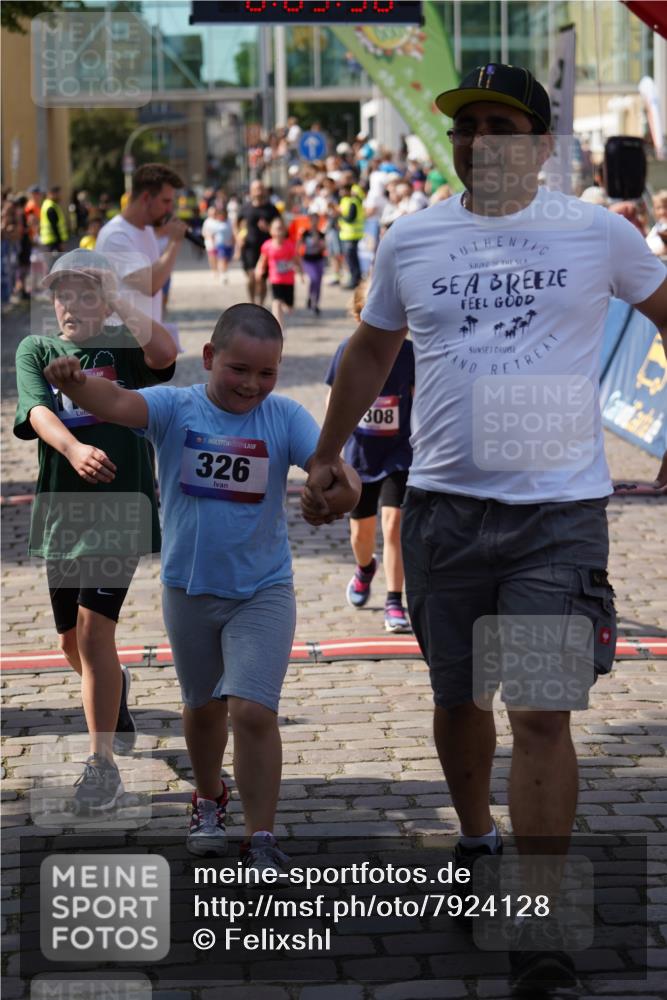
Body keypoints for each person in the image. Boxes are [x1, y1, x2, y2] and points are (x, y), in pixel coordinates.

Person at [302, 62, 667, 992]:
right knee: (457, 700)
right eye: (467, 125)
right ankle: (474, 843)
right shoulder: (412, 238)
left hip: (557, 520)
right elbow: (372, 348)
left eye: (501, 123)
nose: (479, 139)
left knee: (541, 715)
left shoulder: (597, 234)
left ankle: (539, 928)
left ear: (540, 144)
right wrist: (330, 454)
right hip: (442, 516)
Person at [42, 303, 360, 870]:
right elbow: (113, 401)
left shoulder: (283, 417)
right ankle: (209, 797)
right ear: (210, 358)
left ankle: (261, 836)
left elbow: (335, 474)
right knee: (203, 707)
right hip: (188, 591)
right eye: (239, 369)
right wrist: (75, 382)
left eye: (267, 373)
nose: (252, 384)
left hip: (263, 590)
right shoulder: (175, 407)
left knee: (252, 710)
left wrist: (330, 494)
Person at [13, 249, 177, 811]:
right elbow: (38, 413)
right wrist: (74, 447)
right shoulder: (36, 348)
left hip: (120, 509)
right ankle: (112, 688)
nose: (71, 305)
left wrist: (125, 300)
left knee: (91, 634)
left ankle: (101, 766)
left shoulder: (123, 345)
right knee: (69, 641)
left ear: (104, 300)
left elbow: (166, 353)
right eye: (62, 293)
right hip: (63, 514)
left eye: (86, 294)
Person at [326, 280, 414, 631]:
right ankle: (365, 569)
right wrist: (328, 452)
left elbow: (420, 398)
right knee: (361, 535)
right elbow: (334, 401)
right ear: (358, 315)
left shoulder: (409, 354)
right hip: (360, 457)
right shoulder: (348, 351)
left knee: (394, 526)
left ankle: (395, 601)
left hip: (399, 454)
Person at [95, 163, 186, 334]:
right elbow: (149, 285)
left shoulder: (147, 229)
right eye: (165, 201)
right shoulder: (115, 236)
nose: (169, 209)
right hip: (123, 344)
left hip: (144, 343)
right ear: (145, 198)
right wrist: (174, 242)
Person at [237, 180, 281, 305]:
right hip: (249, 248)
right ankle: (251, 302)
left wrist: (269, 229)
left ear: (265, 191)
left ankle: (260, 305)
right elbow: (237, 223)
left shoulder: (272, 209)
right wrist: (239, 237)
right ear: (251, 191)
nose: (259, 191)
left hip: (266, 249)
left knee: (261, 278)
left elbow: (280, 226)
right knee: (251, 277)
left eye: (261, 188)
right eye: (256, 189)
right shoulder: (245, 208)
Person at [255, 217, 302, 329]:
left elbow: (296, 260)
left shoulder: (289, 245)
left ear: (285, 231)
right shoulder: (267, 245)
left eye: (281, 228)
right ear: (271, 231)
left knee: (289, 307)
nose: (279, 231)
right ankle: (279, 327)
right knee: (276, 302)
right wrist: (259, 269)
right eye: (276, 229)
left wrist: (301, 273)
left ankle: (286, 306)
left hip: (289, 280)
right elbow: (263, 260)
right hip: (275, 279)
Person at [337, 180, 365, 289]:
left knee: (352, 259)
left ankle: (355, 279)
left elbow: (350, 218)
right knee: (350, 259)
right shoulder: (345, 201)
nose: (341, 192)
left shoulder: (353, 202)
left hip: (352, 234)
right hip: (347, 234)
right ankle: (354, 278)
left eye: (343, 190)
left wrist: (339, 215)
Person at [297, 213, 326, 315]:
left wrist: (318, 241)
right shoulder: (305, 233)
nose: (314, 222)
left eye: (316, 220)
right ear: (309, 221)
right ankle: (310, 296)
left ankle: (316, 304)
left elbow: (323, 248)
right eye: (312, 220)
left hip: (319, 260)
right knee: (313, 279)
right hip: (308, 260)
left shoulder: (321, 234)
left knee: (318, 282)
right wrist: (297, 260)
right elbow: (298, 245)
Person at [39, 185, 69, 253]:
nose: (60, 196)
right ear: (51, 194)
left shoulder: (49, 204)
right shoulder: (50, 207)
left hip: (51, 241)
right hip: (53, 242)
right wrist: (60, 242)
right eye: (58, 194)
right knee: (54, 262)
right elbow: (54, 226)